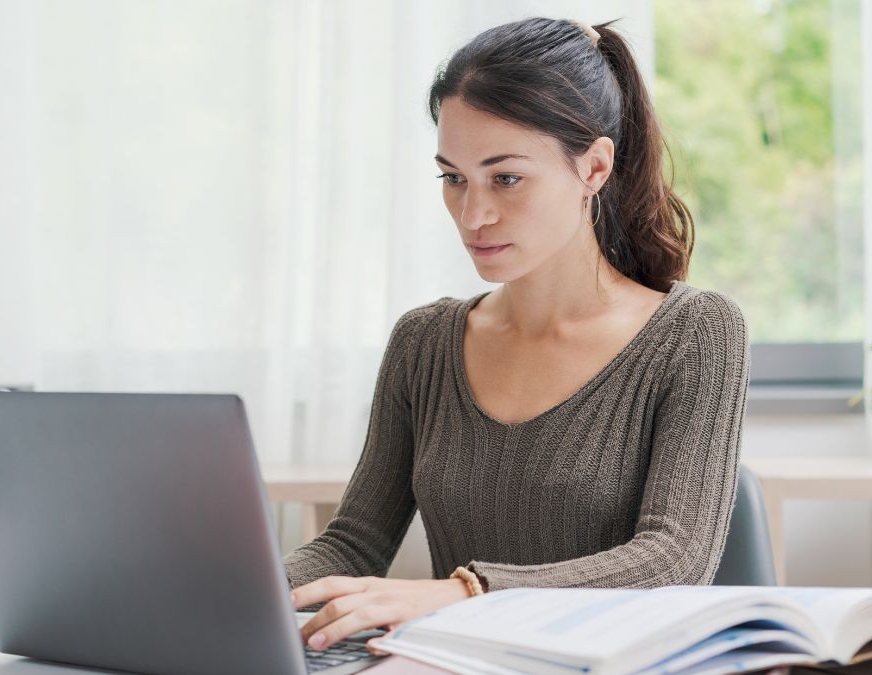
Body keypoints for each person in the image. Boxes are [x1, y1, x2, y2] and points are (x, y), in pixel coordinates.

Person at [286, 16, 751, 655]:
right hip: (455, 662)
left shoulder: (697, 333)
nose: (473, 214)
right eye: (454, 177)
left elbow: (672, 560)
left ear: (594, 167)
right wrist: (243, 592)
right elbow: (354, 542)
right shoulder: (424, 342)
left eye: (505, 178)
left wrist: (468, 592)